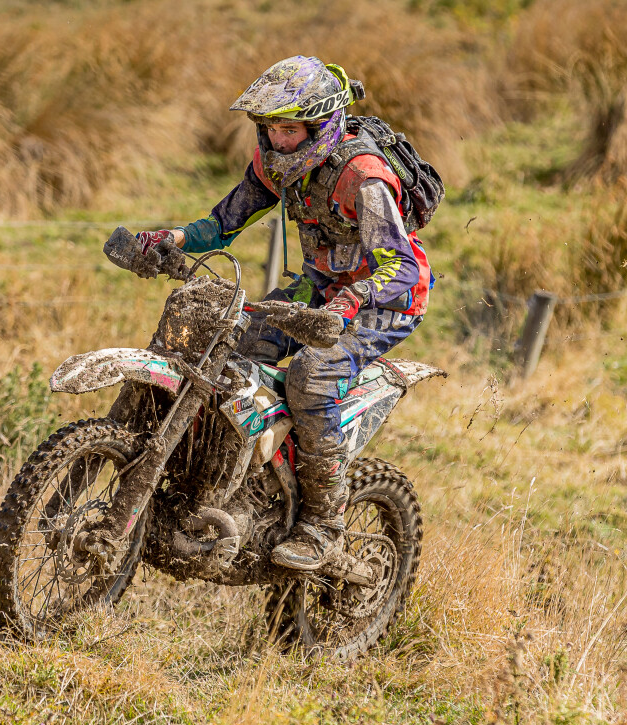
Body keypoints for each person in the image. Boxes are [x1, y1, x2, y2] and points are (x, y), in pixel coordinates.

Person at [135, 56, 433, 572]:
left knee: (311, 377)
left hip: (385, 301)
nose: (279, 141)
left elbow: (402, 266)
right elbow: (223, 224)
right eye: (270, 128)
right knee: (233, 348)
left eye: (290, 129)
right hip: (320, 287)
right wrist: (171, 239)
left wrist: (352, 299)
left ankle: (323, 522)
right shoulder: (277, 164)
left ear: (321, 127)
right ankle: (249, 481)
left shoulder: (362, 177)